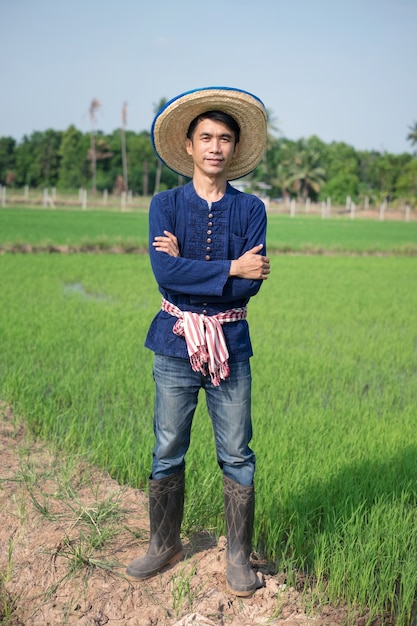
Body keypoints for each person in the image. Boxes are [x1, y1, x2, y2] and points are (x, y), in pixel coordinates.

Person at [126, 86, 270, 597]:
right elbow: (165, 273)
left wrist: (192, 268)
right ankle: (163, 544)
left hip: (231, 343)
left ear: (234, 149)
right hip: (174, 342)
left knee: (236, 451)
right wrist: (230, 266)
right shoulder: (164, 205)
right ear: (188, 145)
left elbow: (252, 285)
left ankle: (237, 558)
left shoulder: (252, 210)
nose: (215, 146)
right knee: (168, 446)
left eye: (224, 139)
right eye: (205, 136)